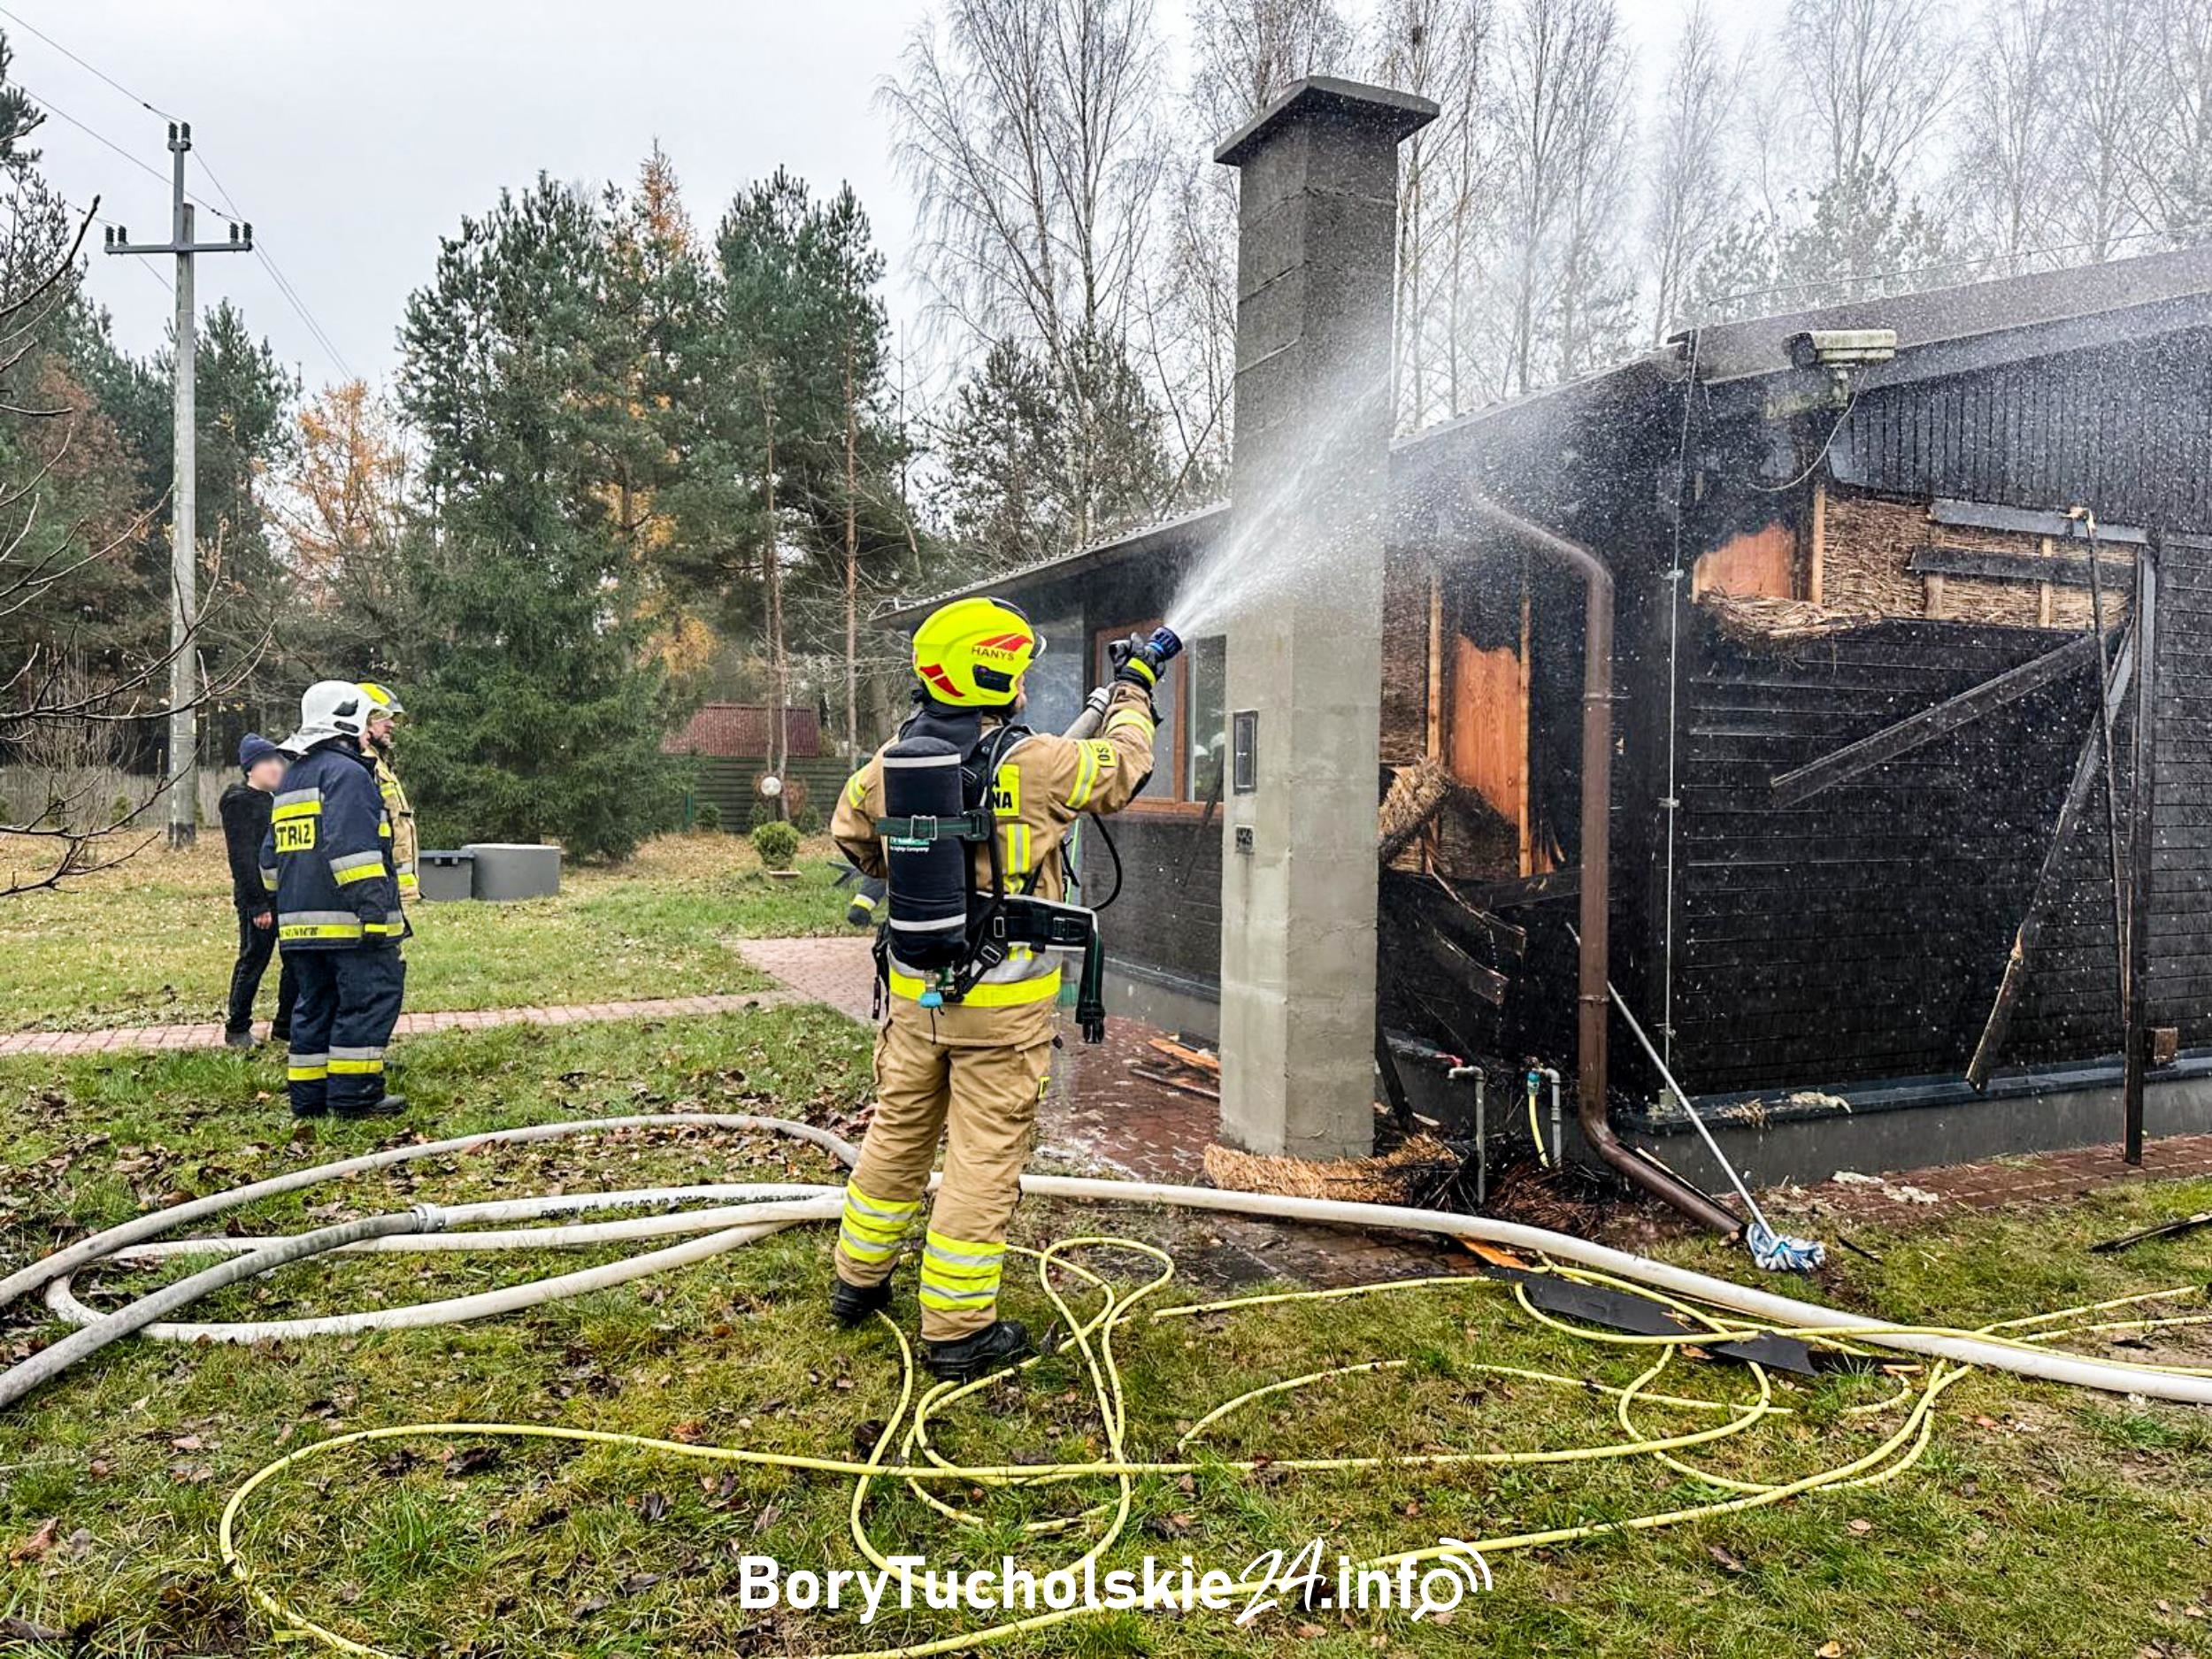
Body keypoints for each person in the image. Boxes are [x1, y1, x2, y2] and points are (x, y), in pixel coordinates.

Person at [827, 596, 1171, 1382]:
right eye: (1017, 670)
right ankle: (955, 1330)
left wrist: (920, 872)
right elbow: (1123, 767)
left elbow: (851, 838)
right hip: (1004, 1012)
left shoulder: (887, 766)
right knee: (982, 1160)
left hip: (917, 1002)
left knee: (897, 1136)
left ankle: (857, 1281)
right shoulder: (1042, 762)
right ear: (995, 675)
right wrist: (1136, 688)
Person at [261, 681, 410, 1119]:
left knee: (313, 1007)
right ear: (344, 723)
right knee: (367, 1003)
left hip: (299, 929)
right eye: (365, 723)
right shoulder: (347, 775)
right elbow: (356, 855)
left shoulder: (292, 779)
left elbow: (269, 862)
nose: (370, 733)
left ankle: (309, 1099)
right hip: (350, 923)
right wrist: (377, 915)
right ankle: (355, 1096)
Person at [218, 733, 298, 1049]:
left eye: (279, 760)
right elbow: (242, 857)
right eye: (268, 761)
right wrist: (257, 904)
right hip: (259, 898)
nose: (277, 767)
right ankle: (237, 1027)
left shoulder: (277, 801)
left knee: (294, 961)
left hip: (286, 895)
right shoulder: (239, 802)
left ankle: (285, 1024)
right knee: (254, 959)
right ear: (251, 768)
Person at [356, 681, 419, 902]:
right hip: (383, 891)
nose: (391, 724)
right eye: (383, 717)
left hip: (399, 891)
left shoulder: (380, 764)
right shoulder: (362, 765)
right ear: (361, 720)